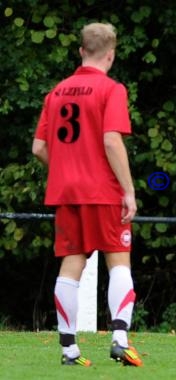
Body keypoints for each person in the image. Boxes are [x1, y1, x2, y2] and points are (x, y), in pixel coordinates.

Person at [32, 22, 143, 367]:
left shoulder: (57, 92)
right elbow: (112, 140)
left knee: (72, 263)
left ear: (81, 52)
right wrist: (128, 191)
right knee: (118, 259)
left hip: (66, 192)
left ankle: (69, 351)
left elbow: (38, 147)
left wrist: (65, 169)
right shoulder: (112, 90)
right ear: (111, 54)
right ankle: (120, 341)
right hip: (103, 191)